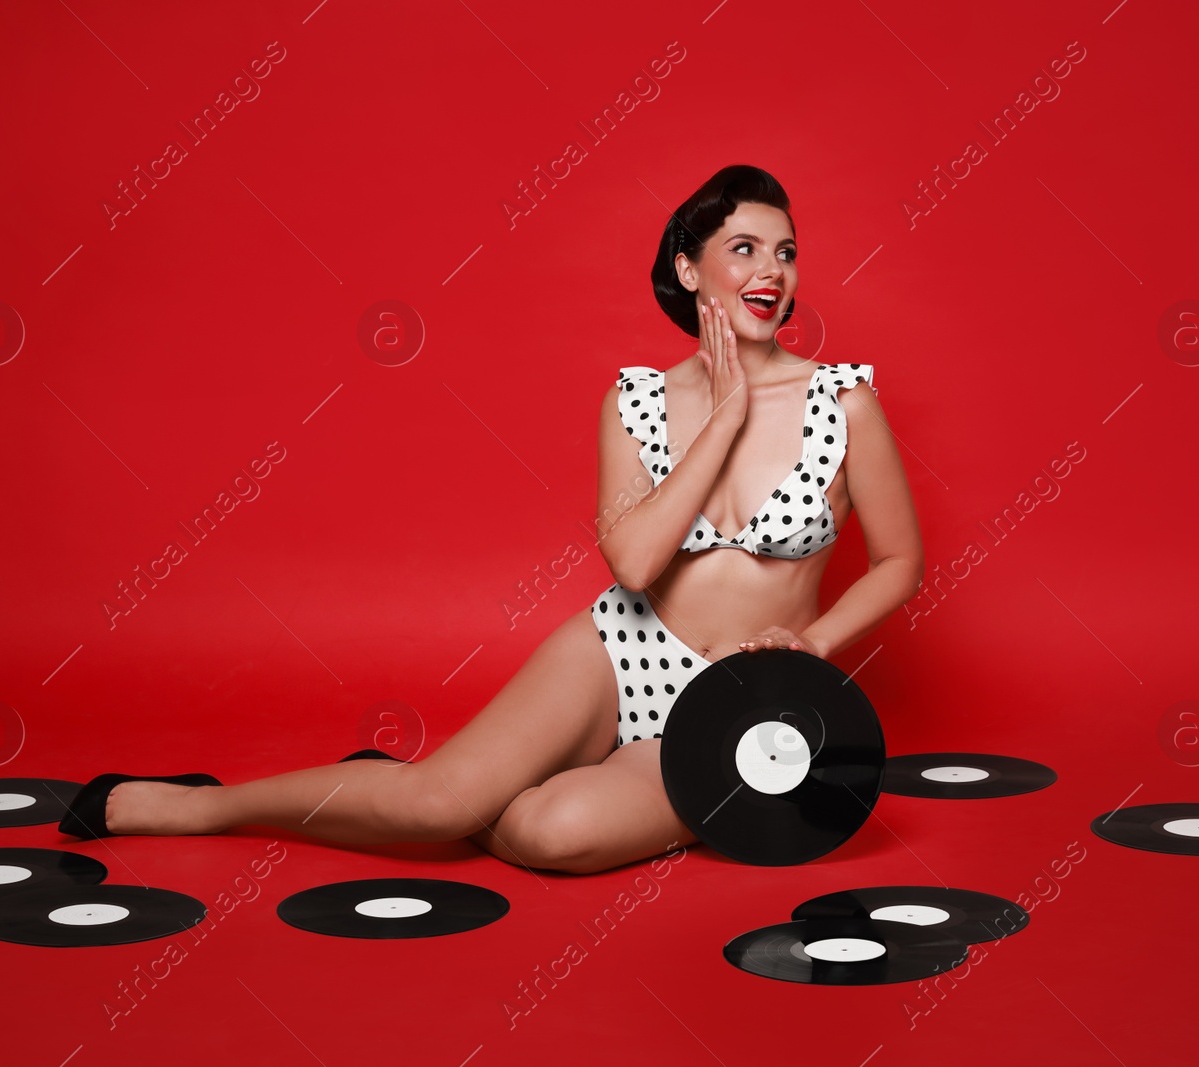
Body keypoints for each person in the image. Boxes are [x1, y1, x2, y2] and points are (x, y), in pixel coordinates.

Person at [70, 164, 923, 875]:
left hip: (747, 699)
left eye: (786, 252)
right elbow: (634, 565)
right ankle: (207, 804)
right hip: (622, 648)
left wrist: (811, 644)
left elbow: (897, 561)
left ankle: (413, 794)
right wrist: (727, 412)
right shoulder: (637, 401)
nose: (771, 270)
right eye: (743, 249)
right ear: (691, 270)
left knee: (556, 834)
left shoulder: (843, 401)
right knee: (438, 801)